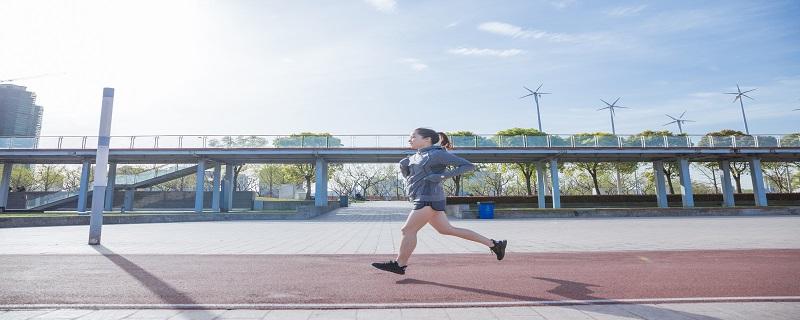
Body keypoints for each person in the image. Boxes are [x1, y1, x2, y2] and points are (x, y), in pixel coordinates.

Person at [372, 128, 507, 275]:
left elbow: (468, 165)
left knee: (408, 230)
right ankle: (494, 244)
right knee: (447, 230)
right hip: (422, 196)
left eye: (413, 137)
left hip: (429, 198)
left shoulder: (437, 154)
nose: (409, 140)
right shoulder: (415, 156)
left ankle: (399, 264)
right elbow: (411, 179)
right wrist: (404, 168)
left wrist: (442, 177)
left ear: (427, 139)